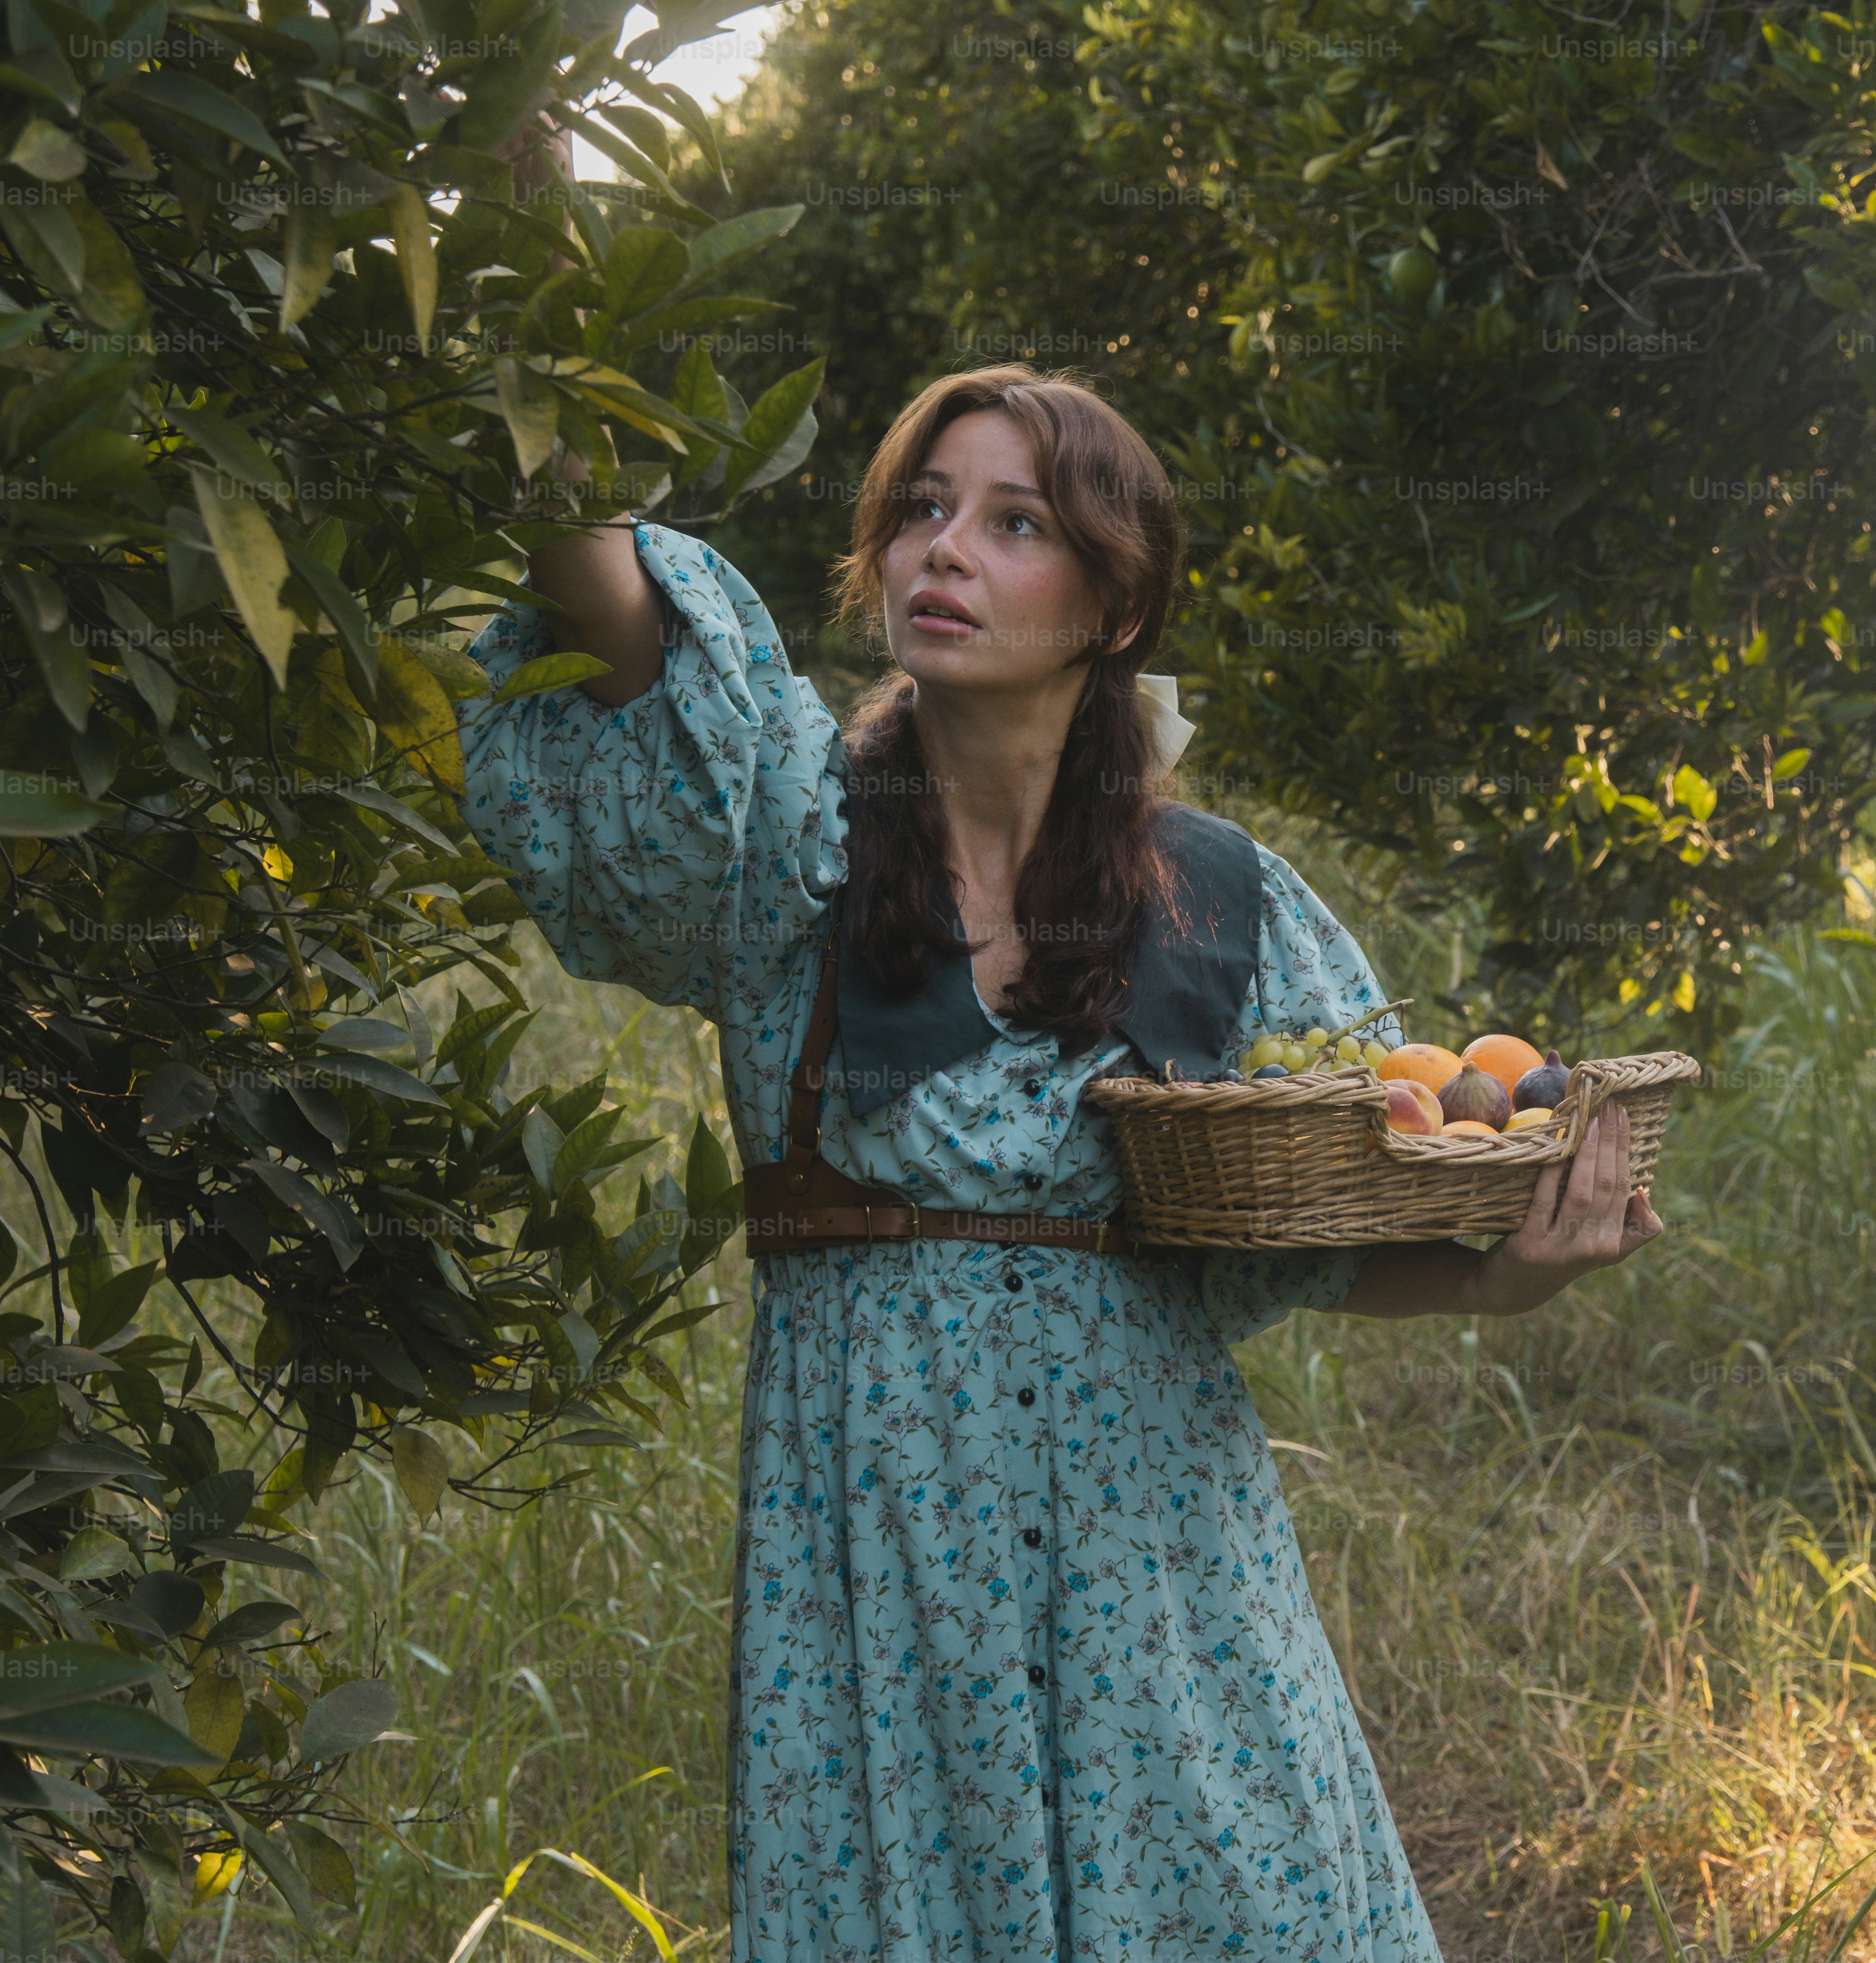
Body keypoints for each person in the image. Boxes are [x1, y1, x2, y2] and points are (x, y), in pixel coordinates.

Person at [455, 363, 1663, 1961]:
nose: (945, 549)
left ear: (1116, 607)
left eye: (1015, 523)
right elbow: (613, 618)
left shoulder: (1219, 899)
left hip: (1164, 1577)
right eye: (924, 509)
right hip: (880, 1574)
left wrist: (1508, 1277)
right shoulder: (790, 851)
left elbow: (1323, 1226)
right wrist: (536, 343)